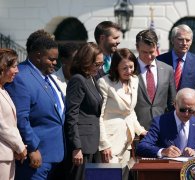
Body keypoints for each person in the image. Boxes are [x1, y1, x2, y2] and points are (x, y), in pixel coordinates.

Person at [5, 36, 65, 180]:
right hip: (36, 158)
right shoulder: (21, 77)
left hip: (55, 155)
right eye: (51, 59)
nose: (55, 63)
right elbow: (21, 118)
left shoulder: (47, 76)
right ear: (38, 56)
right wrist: (33, 148)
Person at [97, 48, 147, 178]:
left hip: (127, 142)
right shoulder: (104, 82)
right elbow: (99, 116)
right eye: (124, 68)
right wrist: (104, 145)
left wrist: (140, 130)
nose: (129, 71)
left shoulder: (134, 80)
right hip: (110, 142)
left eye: (131, 67)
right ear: (115, 67)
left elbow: (129, 111)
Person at [64, 42, 103, 180]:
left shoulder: (91, 78)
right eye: (96, 64)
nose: (99, 68)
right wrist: (76, 147)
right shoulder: (78, 79)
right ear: (86, 61)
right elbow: (72, 115)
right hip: (82, 146)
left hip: (92, 142)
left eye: (101, 64)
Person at [136, 88, 195, 158]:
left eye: (191, 111)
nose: (186, 114)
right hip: (167, 169)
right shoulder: (160, 122)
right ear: (175, 104)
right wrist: (163, 152)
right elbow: (142, 147)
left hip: (191, 169)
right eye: (182, 109)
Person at [134, 29, 176, 129]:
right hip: (136, 129)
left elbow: (172, 102)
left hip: (162, 128)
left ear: (156, 47)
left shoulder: (167, 69)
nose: (149, 56)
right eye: (144, 52)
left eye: (151, 52)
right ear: (137, 47)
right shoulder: (130, 70)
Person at [0, 49, 27, 180]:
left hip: (7, 154)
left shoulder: (3, 90)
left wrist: (17, 148)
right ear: (3, 67)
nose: (17, 71)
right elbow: (2, 127)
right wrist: (20, 147)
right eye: (14, 66)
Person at [157, 24, 195, 90]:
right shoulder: (159, 60)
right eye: (180, 39)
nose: (184, 43)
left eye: (188, 40)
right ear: (172, 40)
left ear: (191, 42)